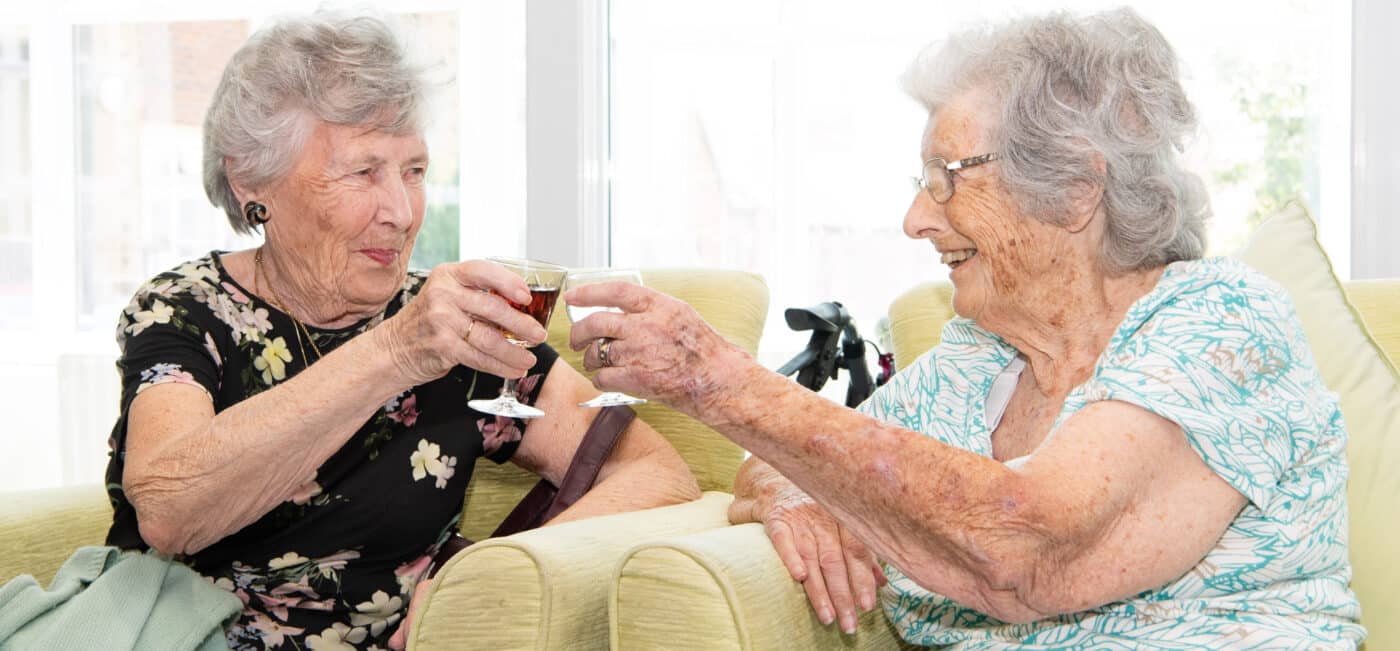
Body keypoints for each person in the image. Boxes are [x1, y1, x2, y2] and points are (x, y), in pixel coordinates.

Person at [566, 8, 1364, 648]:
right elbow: (783, 462)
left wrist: (721, 378)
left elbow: (1030, 548)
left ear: (1077, 188)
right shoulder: (974, 369)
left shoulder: (1219, 322)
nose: (917, 219)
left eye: (948, 179)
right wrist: (790, 496)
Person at [104, 10, 700, 650]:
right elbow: (168, 511)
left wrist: (491, 575)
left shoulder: (455, 325)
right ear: (253, 183)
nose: (401, 212)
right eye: (363, 172)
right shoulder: (187, 309)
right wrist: (394, 352)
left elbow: (659, 476)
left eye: (414, 170)